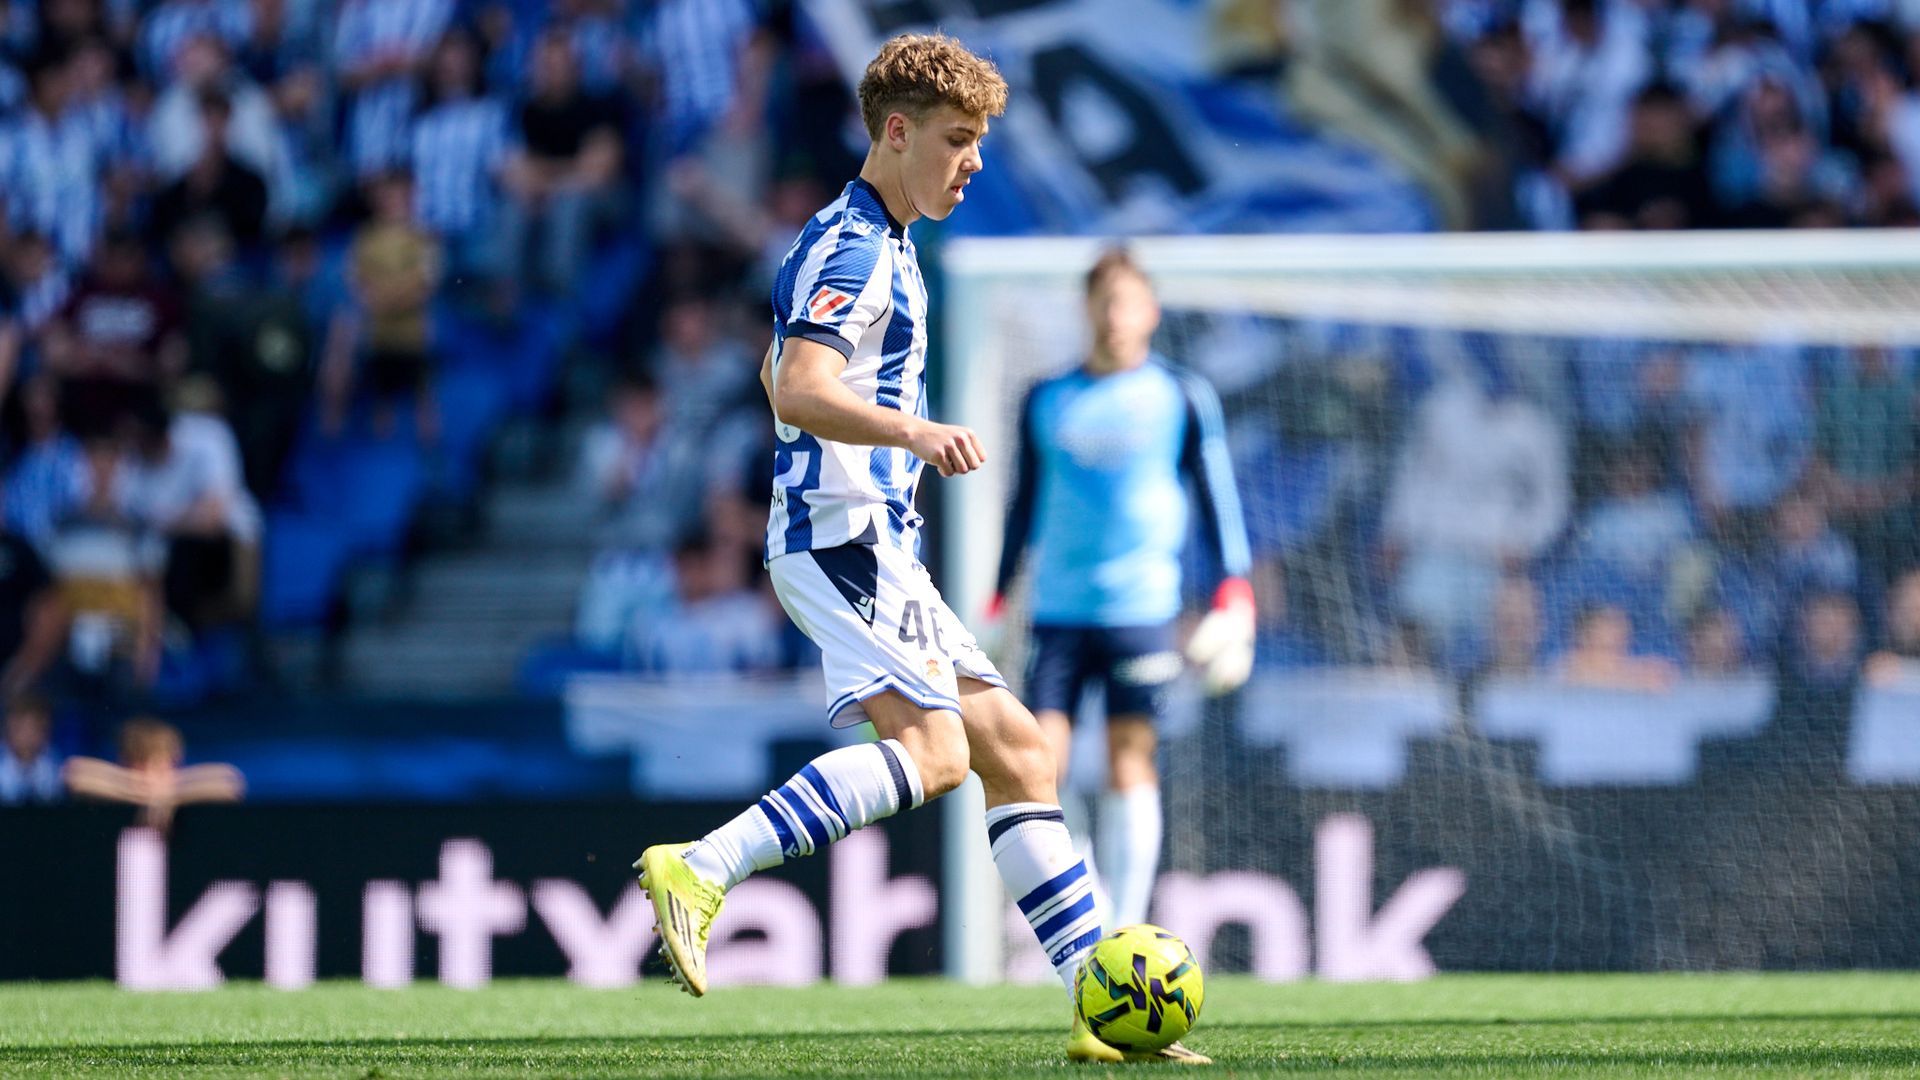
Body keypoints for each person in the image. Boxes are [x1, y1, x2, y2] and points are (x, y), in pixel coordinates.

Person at [630, 34, 1202, 1065]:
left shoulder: (878, 239)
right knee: (939, 757)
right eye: (956, 140)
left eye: (978, 142)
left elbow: (775, 371)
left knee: (1021, 751)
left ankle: (1097, 1005)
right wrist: (913, 433)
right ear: (896, 133)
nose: (973, 162)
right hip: (840, 538)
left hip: (873, 542)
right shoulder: (853, 243)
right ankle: (704, 866)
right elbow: (800, 384)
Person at [989, 246, 1253, 935]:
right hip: (1057, 611)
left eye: (1127, 302)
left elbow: (1216, 496)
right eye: (1104, 302)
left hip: (1142, 610)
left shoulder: (1182, 395)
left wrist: (1234, 590)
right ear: (1087, 310)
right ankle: (1085, 912)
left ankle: (1128, 927)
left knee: (1129, 758)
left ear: (1150, 312)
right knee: (1038, 769)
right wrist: (995, 595)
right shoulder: (1047, 399)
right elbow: (1023, 505)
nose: (1115, 316)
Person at [63, 715, 242, 831]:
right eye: (141, 766)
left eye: (160, 767)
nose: (149, 776)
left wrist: (167, 795)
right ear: (123, 763)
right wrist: (142, 792)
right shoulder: (106, 798)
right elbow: (74, 774)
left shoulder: (189, 799)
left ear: (175, 764)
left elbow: (230, 782)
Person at [0, 691, 62, 805]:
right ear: (8, 728)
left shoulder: (55, 767)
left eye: (34, 728)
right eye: (21, 727)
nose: (27, 735)